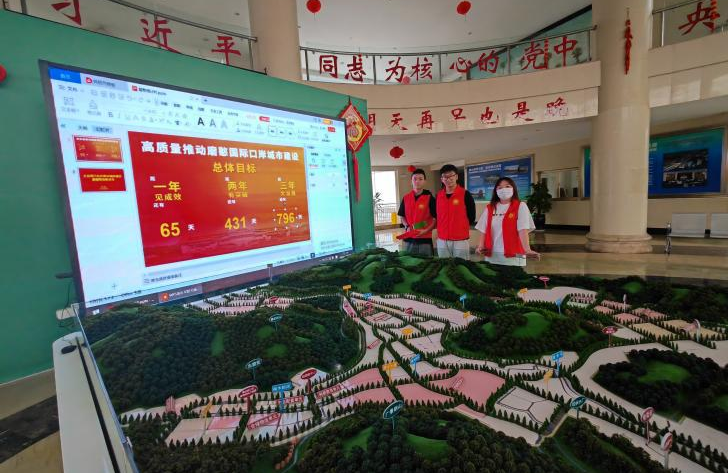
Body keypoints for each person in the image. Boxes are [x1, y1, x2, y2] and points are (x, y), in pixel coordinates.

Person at [475, 177, 540, 266]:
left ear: (513, 188)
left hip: (514, 256)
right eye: (500, 187)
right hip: (493, 255)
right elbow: (484, 230)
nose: (503, 189)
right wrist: (480, 246)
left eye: (507, 186)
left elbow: (522, 230)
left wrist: (527, 250)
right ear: (496, 191)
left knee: (512, 274)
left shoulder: (520, 206)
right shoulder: (490, 208)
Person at [436, 164, 476, 259]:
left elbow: (471, 216)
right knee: (444, 265)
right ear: (442, 179)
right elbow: (437, 215)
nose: (448, 179)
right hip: (442, 239)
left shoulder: (465, 194)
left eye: (451, 176)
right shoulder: (438, 195)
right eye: (445, 177)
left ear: (456, 177)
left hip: (460, 239)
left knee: (461, 265)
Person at [397, 168, 437, 256]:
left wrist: (426, 230)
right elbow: (402, 216)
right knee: (409, 260)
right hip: (409, 237)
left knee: (426, 262)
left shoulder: (430, 198)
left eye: (420, 179)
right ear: (411, 181)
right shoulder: (406, 198)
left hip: (425, 238)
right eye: (415, 179)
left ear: (424, 181)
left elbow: (435, 219)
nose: (417, 181)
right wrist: (407, 226)